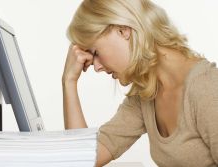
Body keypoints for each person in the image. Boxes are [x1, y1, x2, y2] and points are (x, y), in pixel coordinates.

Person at [62, 0, 218, 166]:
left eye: (95, 53)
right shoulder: (147, 93)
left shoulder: (206, 88)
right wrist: (69, 81)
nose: (97, 67)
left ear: (123, 30)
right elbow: (83, 159)